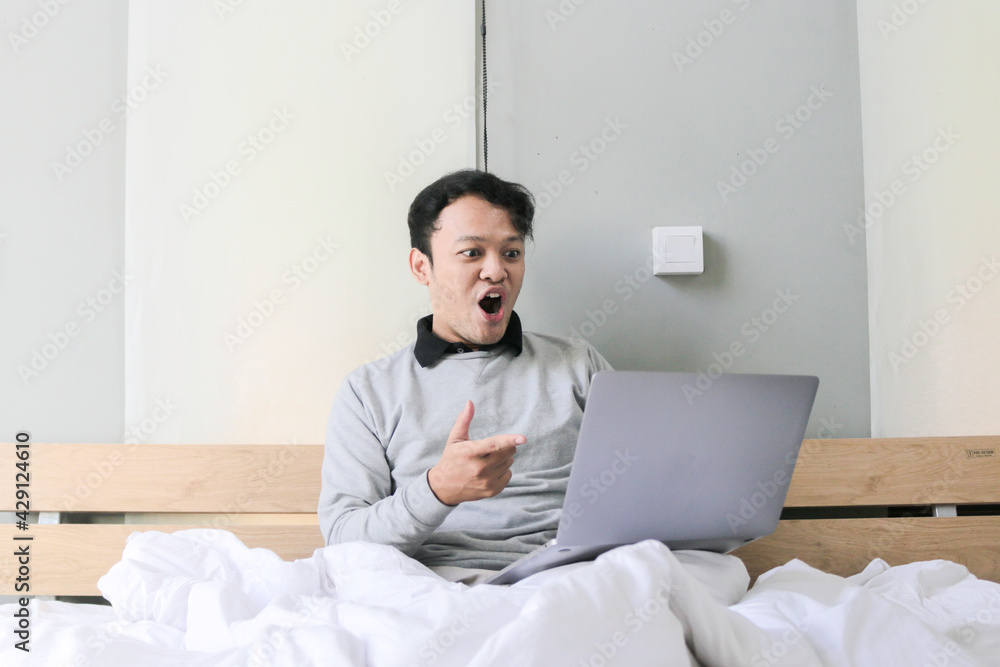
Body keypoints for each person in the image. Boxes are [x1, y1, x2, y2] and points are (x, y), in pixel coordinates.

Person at [318, 169, 612, 575]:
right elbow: (343, 541)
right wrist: (437, 489)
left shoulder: (580, 364)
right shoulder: (368, 391)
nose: (496, 271)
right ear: (422, 267)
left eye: (511, 253)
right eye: (472, 253)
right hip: (434, 587)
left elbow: (640, 484)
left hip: (568, 578)